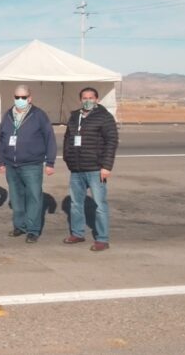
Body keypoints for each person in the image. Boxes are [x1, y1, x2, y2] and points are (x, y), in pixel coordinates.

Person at [0, 85, 57, 243]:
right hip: (11, 165)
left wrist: (50, 162)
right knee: (16, 198)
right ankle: (20, 226)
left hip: (32, 164)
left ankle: (33, 230)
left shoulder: (38, 115)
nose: (20, 100)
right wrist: (1, 160)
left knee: (34, 197)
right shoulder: (8, 115)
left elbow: (50, 138)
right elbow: (1, 138)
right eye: (17, 97)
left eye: (23, 97)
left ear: (30, 98)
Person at [62, 87, 119, 251]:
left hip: (95, 169)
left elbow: (112, 142)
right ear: (80, 100)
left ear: (97, 99)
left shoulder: (104, 117)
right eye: (84, 98)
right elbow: (67, 138)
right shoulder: (75, 116)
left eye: (91, 98)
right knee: (75, 204)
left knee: (100, 205)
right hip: (76, 169)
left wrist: (106, 166)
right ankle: (77, 233)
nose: (87, 101)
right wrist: (68, 158)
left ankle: (102, 239)